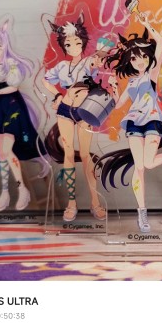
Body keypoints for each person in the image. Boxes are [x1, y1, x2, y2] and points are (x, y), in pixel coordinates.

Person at [96, 13, 162, 233]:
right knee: (139, 168)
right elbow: (119, 105)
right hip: (134, 123)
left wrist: (147, 24)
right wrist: (114, 88)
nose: (140, 61)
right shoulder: (132, 81)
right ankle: (142, 213)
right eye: (135, 58)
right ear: (129, 61)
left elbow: (160, 42)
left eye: (143, 57)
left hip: (153, 120)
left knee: (148, 163)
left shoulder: (152, 74)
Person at [0, 19, 47, 212]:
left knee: (6, 150)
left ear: (5, 44)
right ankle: (6, 191)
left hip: (14, 107)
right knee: (3, 152)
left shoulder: (12, 64)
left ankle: (21, 188)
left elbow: (13, 86)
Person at [42, 13, 105, 222]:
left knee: (86, 155)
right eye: (68, 44)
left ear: (83, 43)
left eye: (77, 42)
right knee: (68, 154)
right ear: (63, 46)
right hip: (65, 111)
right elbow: (46, 80)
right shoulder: (61, 66)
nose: (73, 47)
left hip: (85, 111)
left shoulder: (88, 62)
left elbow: (97, 65)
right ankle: (71, 203)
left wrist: (99, 60)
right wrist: (58, 95)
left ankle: (95, 202)